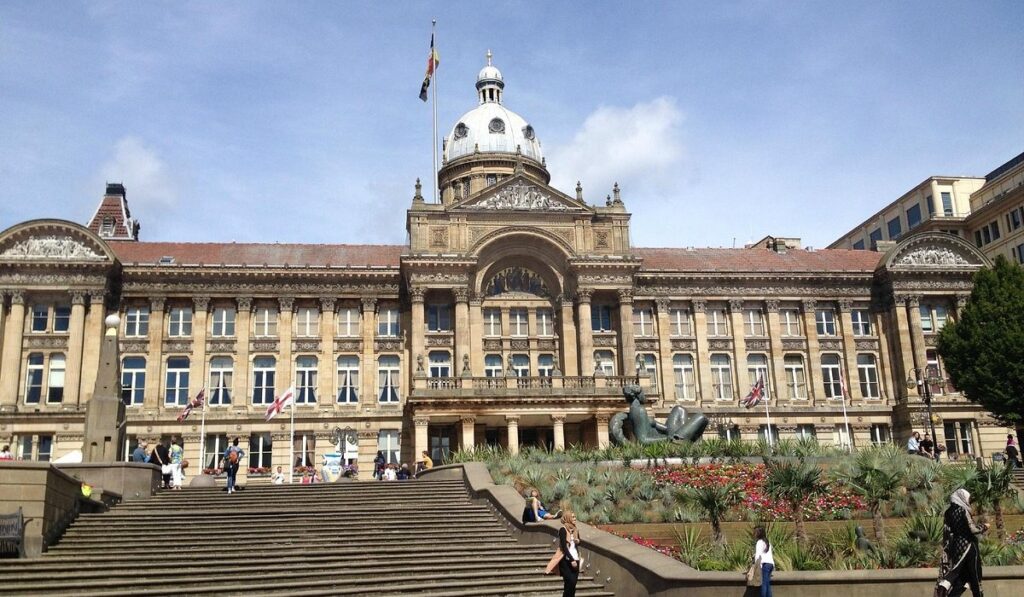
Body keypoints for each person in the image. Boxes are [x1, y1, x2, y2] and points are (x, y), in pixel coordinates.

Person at [935, 489, 988, 597]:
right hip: (969, 546)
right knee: (975, 575)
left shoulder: (948, 512)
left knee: (962, 576)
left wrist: (948, 549)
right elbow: (973, 529)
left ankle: (947, 589)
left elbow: (946, 532)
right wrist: (984, 526)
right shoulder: (963, 510)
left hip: (956, 547)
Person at [557, 510, 581, 597]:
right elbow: (564, 547)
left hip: (576, 558)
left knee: (573, 585)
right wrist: (571, 559)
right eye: (573, 517)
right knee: (569, 583)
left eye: (575, 517)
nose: (575, 519)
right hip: (566, 561)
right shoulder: (563, 530)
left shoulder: (575, 529)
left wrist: (578, 541)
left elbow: (578, 543)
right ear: (568, 518)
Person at [753, 526, 774, 597]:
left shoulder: (759, 542)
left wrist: (756, 566)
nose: (754, 534)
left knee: (763, 584)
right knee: (767, 584)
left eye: (755, 532)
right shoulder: (767, 542)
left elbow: (758, 556)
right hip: (770, 564)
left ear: (759, 533)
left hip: (764, 565)